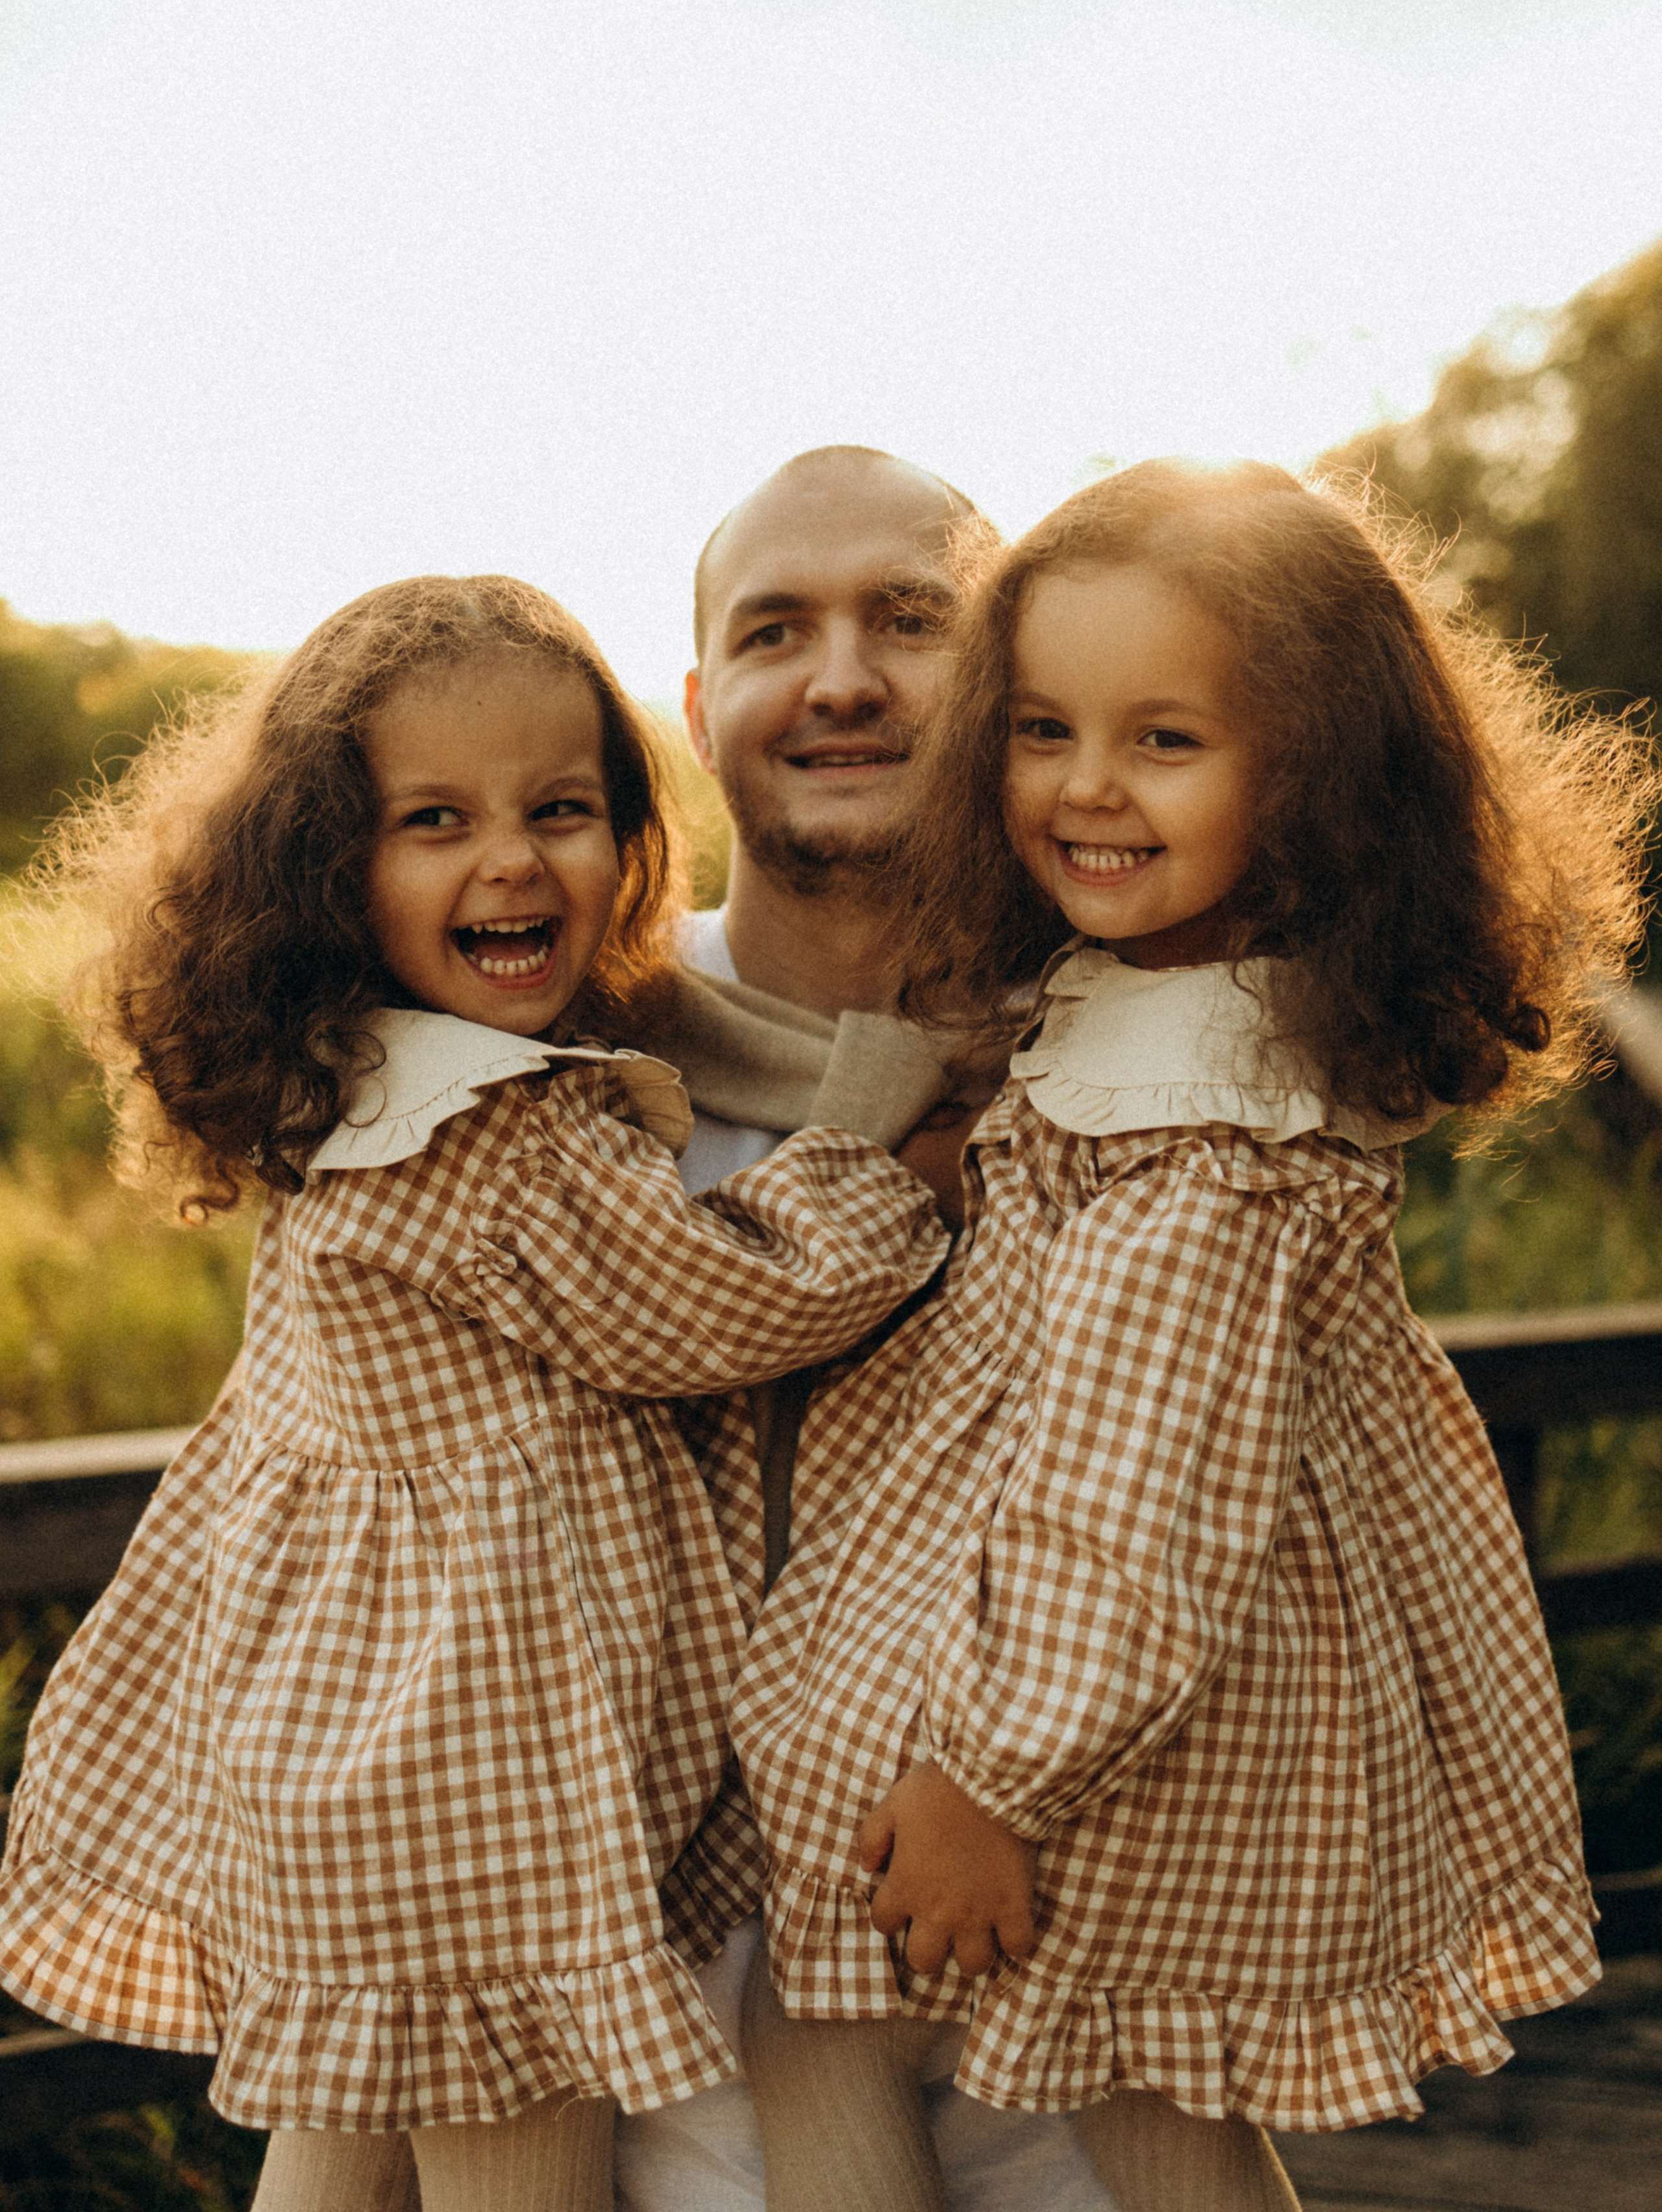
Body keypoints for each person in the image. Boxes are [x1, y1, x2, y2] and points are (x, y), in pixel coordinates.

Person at [726, 462, 1648, 2212]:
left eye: (1165, 742)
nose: (1084, 788)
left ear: (1311, 788)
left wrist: (987, 1777)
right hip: (1131, 1706)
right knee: (1163, 2102)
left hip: (1100, 1722)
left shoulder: (1206, 1156)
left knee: (821, 2020)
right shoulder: (1166, 1025)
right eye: (1045, 728)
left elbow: (1134, 1528)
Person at [0, 576, 950, 2212]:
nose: (509, 858)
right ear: (325, 873)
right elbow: (728, 1303)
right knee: (526, 2165)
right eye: (430, 819)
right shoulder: (472, 1128)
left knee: (346, 2148)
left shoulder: (357, 1081)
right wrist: (871, 1134)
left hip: (356, 1767)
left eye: (559, 808)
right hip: (466, 1792)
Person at [614, 448, 1116, 2212]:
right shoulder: (557, 1068)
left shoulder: (1133, 1061)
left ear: (1004, 685)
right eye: (775, 631)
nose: (839, 677)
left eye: (911, 620)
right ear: (699, 705)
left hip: (1074, 2053)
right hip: (644, 2085)